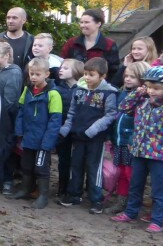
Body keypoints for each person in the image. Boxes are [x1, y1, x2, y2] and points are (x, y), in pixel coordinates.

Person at [111, 66, 163, 233]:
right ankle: (130, 212)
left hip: (160, 155)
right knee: (135, 185)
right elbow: (123, 107)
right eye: (149, 87)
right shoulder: (142, 101)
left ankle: (157, 220)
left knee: (159, 189)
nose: (152, 91)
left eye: (157, 88)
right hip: (138, 151)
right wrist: (138, 92)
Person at [58, 57, 118, 214]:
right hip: (78, 135)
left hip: (95, 138)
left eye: (91, 74)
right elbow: (72, 111)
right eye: (85, 73)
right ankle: (74, 194)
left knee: (93, 168)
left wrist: (93, 129)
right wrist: (66, 128)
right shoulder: (79, 89)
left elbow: (110, 115)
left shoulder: (108, 92)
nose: (87, 77)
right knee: (76, 165)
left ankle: (96, 199)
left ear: (102, 76)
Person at [7, 57, 63, 209]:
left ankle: (43, 195)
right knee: (26, 165)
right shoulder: (27, 90)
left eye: (37, 74)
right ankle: (25, 189)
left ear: (47, 74)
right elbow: (21, 110)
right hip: (28, 137)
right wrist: (19, 131)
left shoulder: (53, 94)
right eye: (31, 73)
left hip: (43, 139)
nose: (33, 77)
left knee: (41, 167)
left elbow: (55, 120)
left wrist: (48, 141)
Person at [106, 61, 150, 214]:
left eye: (133, 77)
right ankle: (121, 202)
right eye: (127, 76)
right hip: (119, 142)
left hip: (132, 144)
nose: (128, 79)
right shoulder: (123, 93)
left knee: (131, 175)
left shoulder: (145, 98)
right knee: (122, 173)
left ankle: (133, 204)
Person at [0, 40, 24, 195]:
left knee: (6, 149)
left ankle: (7, 181)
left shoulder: (13, 72)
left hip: (6, 118)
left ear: (7, 55)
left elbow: (10, 102)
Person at [60, 8, 121, 85]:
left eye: (86, 22)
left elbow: (113, 71)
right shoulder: (72, 43)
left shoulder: (109, 45)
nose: (82, 25)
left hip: (98, 89)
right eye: (81, 22)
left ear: (98, 24)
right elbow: (62, 63)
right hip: (72, 87)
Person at [53, 58, 84, 198]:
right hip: (62, 130)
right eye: (61, 67)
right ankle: (62, 187)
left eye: (66, 68)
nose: (61, 70)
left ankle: (76, 189)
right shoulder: (57, 88)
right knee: (63, 159)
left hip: (78, 129)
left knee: (78, 161)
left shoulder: (83, 89)